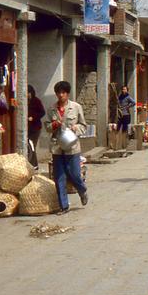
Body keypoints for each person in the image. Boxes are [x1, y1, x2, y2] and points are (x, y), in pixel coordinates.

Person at [44, 81, 88, 214]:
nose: (60, 95)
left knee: (74, 174)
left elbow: (83, 126)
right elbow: (47, 127)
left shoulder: (75, 107)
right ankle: (63, 206)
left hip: (72, 146)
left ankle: (82, 190)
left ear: (67, 94)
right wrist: (53, 125)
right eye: (58, 93)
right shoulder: (51, 109)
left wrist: (76, 128)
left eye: (63, 92)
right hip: (57, 146)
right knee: (59, 177)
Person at [27, 85, 46, 170]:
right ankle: (31, 164)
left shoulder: (36, 101)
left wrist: (33, 117)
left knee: (32, 145)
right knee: (29, 146)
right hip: (27, 128)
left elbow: (42, 112)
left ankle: (34, 165)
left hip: (35, 128)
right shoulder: (24, 101)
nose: (27, 94)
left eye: (28, 93)